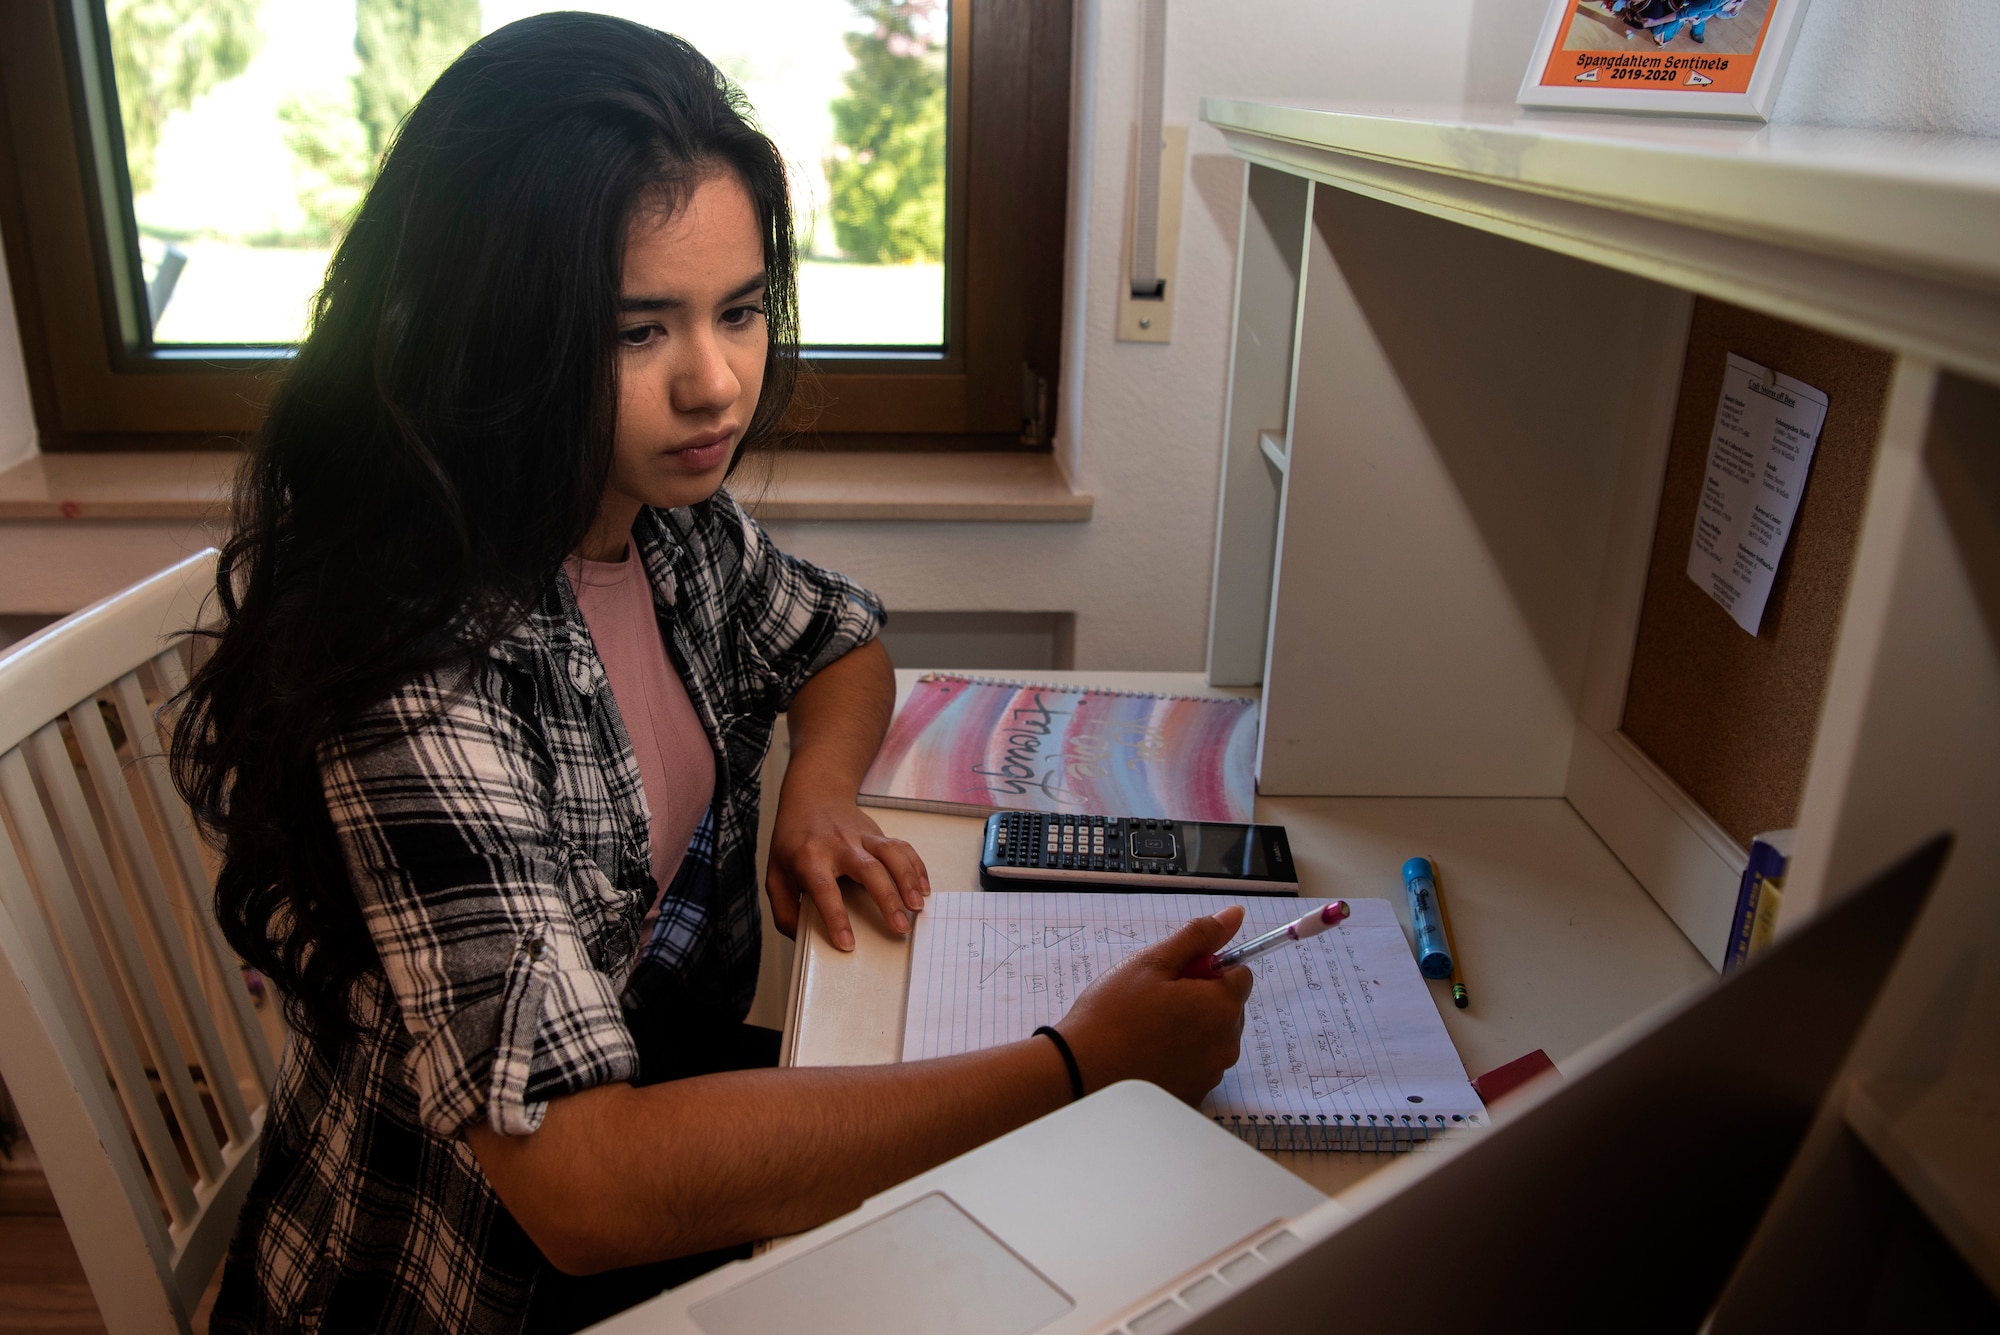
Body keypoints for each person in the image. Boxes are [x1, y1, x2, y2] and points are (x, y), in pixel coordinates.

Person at [171, 14, 1254, 1335]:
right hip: (465, 1286)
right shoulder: (415, 663)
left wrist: (821, 788)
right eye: (640, 332)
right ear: (498, 328)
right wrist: (1084, 1066)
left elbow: (839, 634)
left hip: (666, 1133)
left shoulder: (659, 517)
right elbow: (586, 1192)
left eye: (739, 311)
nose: (715, 382)